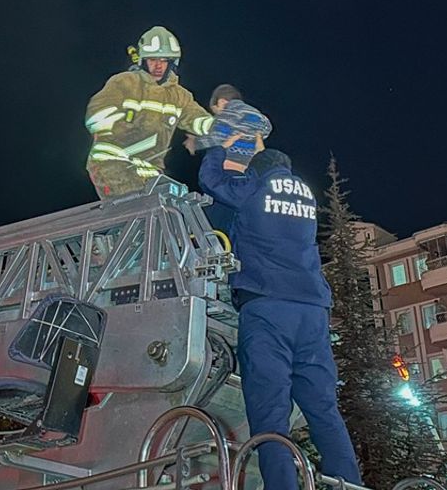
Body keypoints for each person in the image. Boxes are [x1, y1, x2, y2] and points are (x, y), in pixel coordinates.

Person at [199, 140, 362, 489]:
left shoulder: (255, 186)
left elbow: (211, 181)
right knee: (323, 410)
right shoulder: (306, 196)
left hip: (268, 307)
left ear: (258, 170)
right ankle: (348, 483)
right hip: (312, 312)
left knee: (270, 413)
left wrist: (217, 148)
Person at [84, 26, 213, 199]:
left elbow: (197, 118)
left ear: (172, 62)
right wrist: (117, 133)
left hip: (149, 170)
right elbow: (97, 112)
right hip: (113, 162)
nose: (158, 66)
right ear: (143, 60)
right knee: (132, 203)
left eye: (163, 60)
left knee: (166, 206)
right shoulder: (125, 82)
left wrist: (223, 128)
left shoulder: (179, 96)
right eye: (152, 60)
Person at [187, 84, 273, 171]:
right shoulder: (257, 114)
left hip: (232, 162)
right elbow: (267, 128)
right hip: (251, 163)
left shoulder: (229, 113)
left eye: (216, 111)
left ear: (221, 102)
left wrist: (195, 143)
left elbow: (217, 137)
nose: (217, 115)